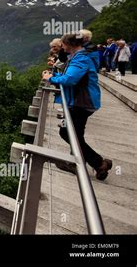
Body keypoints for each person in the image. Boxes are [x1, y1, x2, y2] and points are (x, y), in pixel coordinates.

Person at [42, 32, 112, 181]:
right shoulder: (77, 57)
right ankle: (85, 163)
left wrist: (50, 78)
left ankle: (98, 162)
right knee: (76, 134)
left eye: (63, 44)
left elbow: (70, 79)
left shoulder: (81, 58)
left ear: (70, 45)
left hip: (82, 102)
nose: (62, 47)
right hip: (81, 101)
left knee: (67, 133)